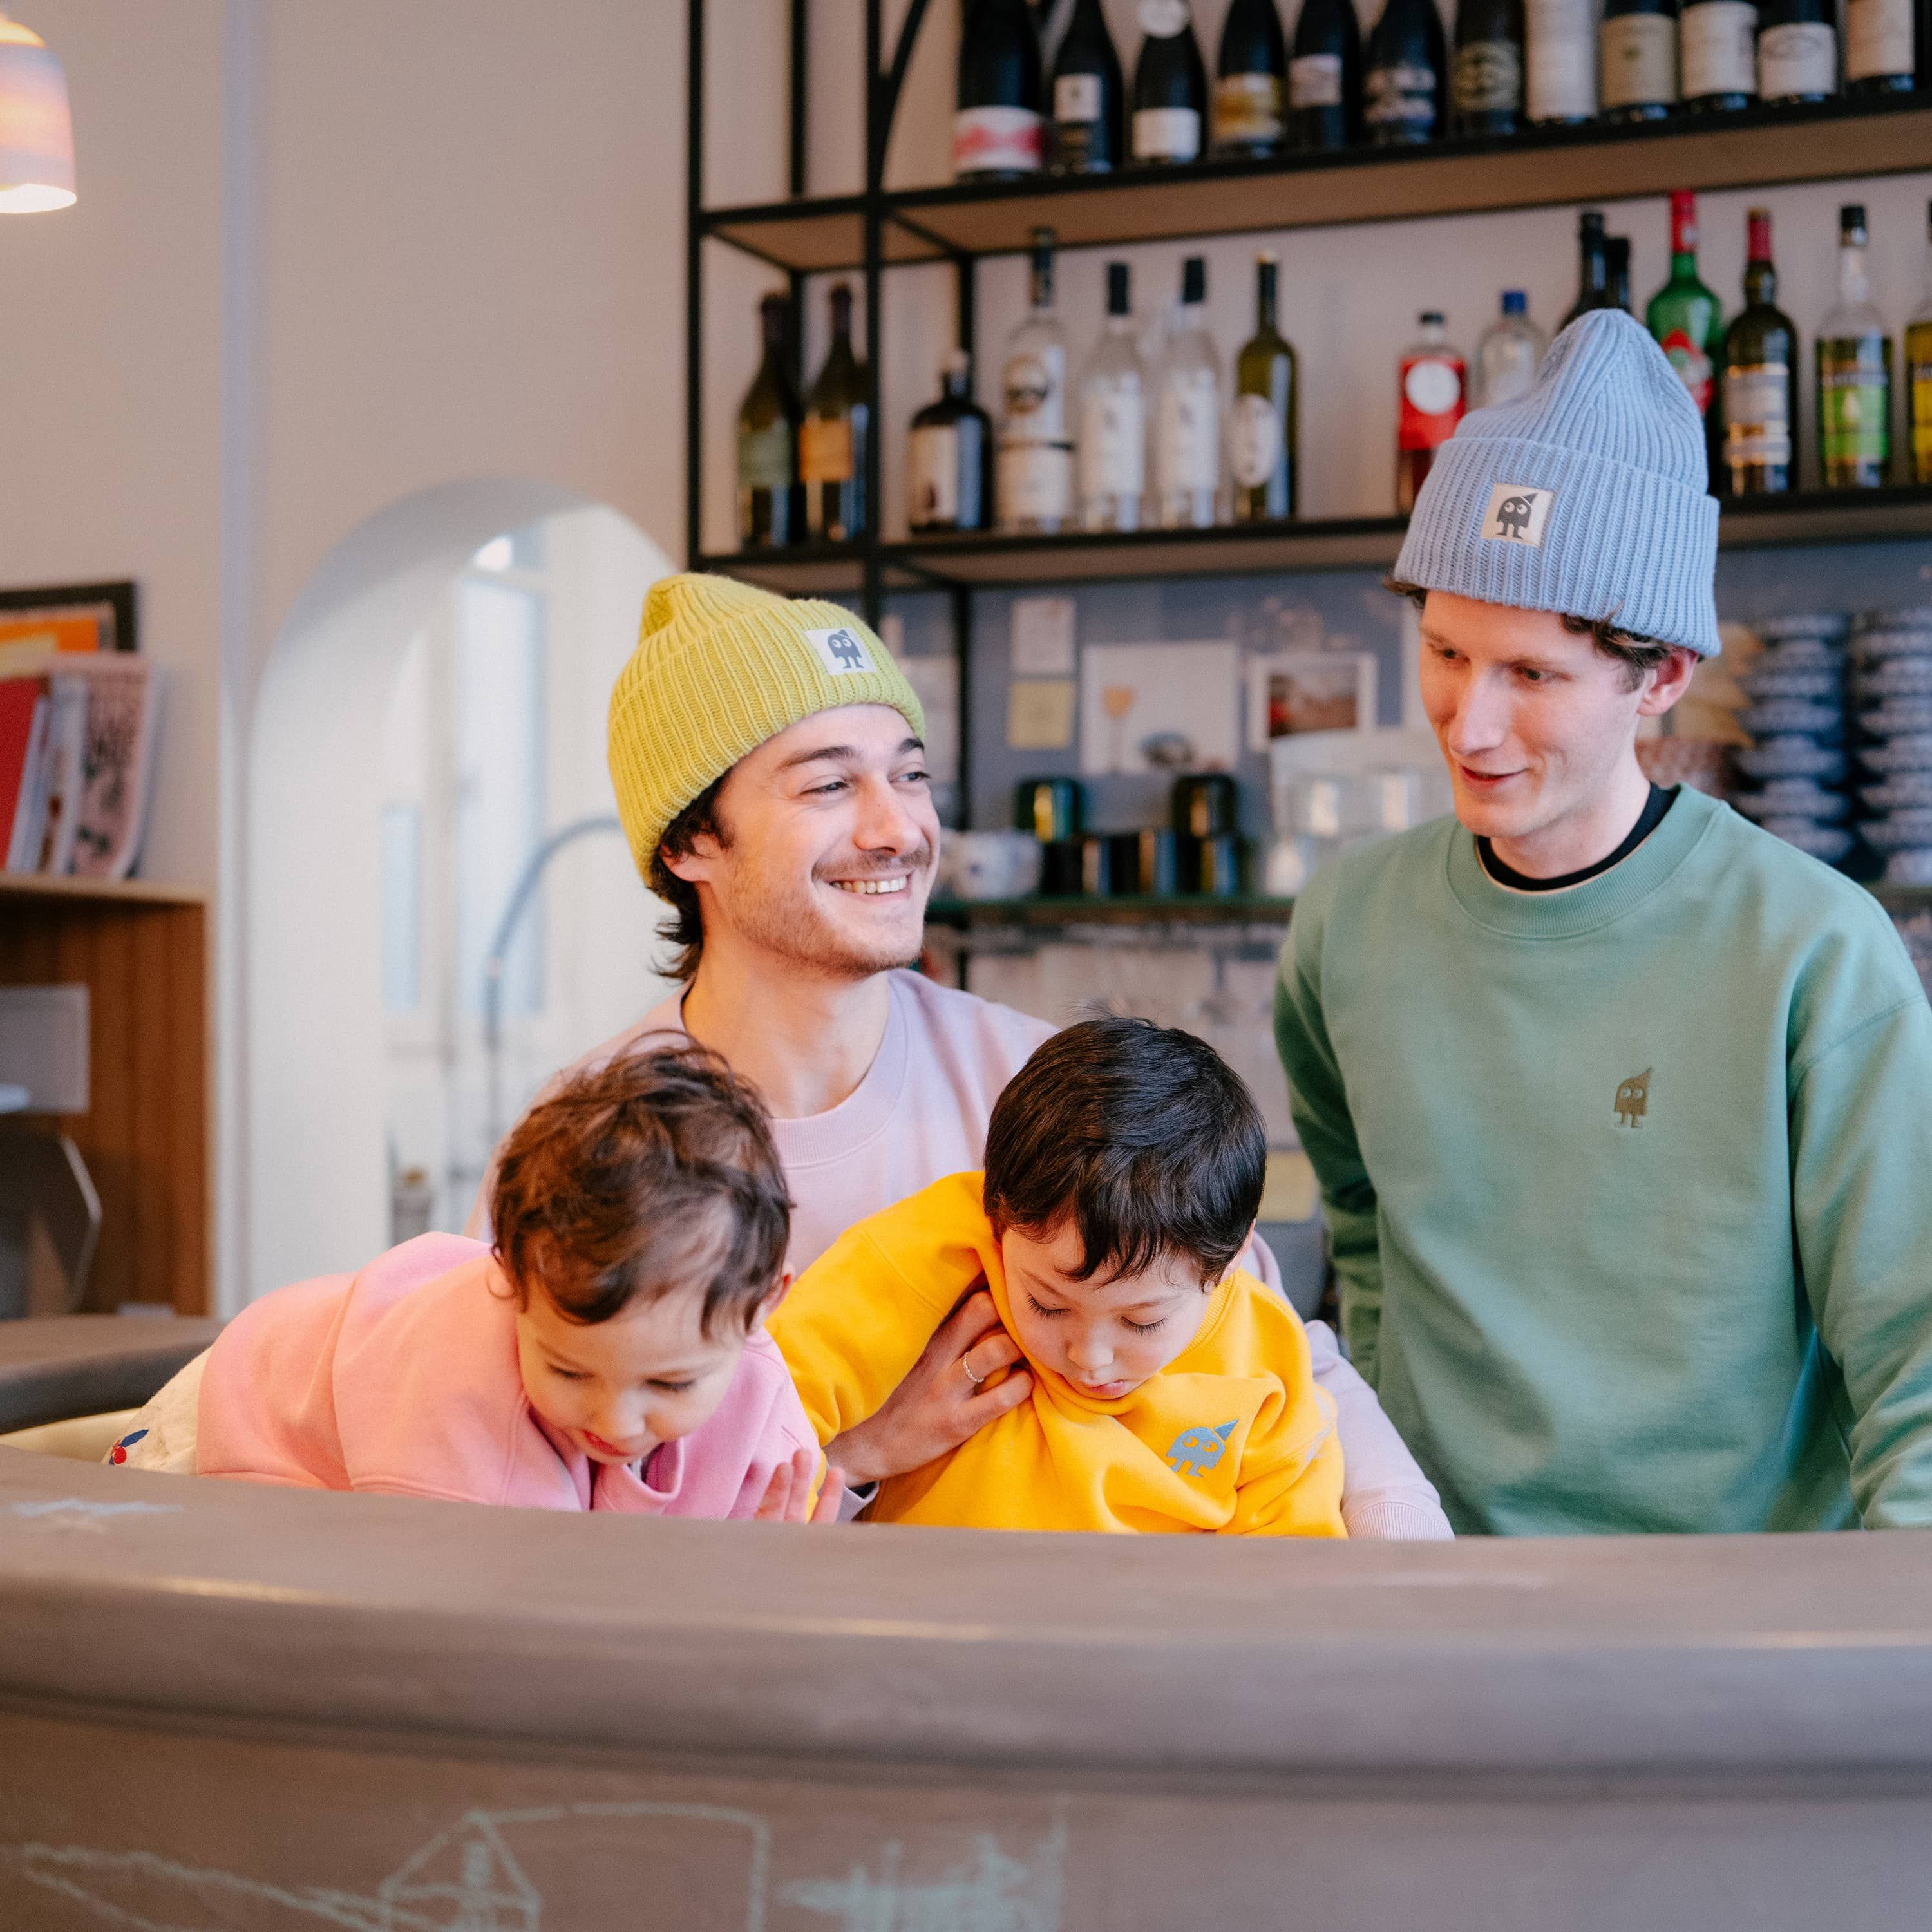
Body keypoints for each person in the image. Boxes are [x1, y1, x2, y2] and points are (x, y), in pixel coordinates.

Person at [496, 570, 1448, 1539]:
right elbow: (540, 1504)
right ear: (691, 842)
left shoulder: (1044, 1082)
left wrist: (1402, 1550)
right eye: (830, 785)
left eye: (910, 776)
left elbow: (1281, 1358)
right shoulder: (585, 1142)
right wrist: (864, 1456)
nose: (898, 829)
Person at [1274, 309, 1932, 1536]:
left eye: (1532, 675)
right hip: (1434, 1591)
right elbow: (1359, 1228)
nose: (1470, 725)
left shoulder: (1817, 953)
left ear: (1663, 676)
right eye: (1446, 652)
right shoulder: (1344, 929)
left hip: (1738, 1620)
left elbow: (1920, 1371)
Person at [115, 1044, 839, 1524]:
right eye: (568, 1370)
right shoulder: (461, 1415)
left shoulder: (762, 1410)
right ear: (511, 1282)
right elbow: (503, 1638)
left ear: (762, 1306)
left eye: (671, 1385)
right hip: (244, 1422)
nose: (616, 1422)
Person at [770, 1016, 1344, 1536]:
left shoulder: (1266, 1355)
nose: (1090, 1358)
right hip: (924, 1608)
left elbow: (1294, 1564)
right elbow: (769, 1416)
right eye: (1047, 1304)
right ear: (997, 1220)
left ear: (1232, 1259)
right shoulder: (932, 1249)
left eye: (1142, 1322)